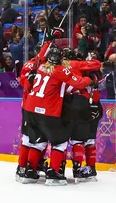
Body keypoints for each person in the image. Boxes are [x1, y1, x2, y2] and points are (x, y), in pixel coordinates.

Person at [22, 47, 93, 186]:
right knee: (60, 142)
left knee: (38, 141)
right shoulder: (60, 70)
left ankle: (29, 171)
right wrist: (90, 79)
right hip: (48, 111)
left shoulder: (41, 66)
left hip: (30, 110)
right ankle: (54, 173)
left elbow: (26, 83)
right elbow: (79, 83)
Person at [61, 48, 102, 182]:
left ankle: (60, 168)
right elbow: (96, 65)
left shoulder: (60, 67)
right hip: (89, 106)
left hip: (67, 105)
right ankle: (86, 168)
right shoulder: (84, 67)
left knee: (62, 141)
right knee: (87, 139)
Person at [15, 41, 52, 182]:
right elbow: (24, 83)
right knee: (33, 139)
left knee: (34, 139)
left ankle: (31, 164)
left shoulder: (37, 65)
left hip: (31, 107)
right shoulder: (33, 65)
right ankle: (25, 167)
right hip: (32, 108)